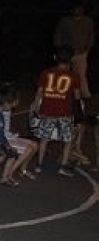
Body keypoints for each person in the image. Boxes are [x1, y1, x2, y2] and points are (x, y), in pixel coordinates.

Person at [30, 45, 81, 176]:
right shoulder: (74, 76)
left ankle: (39, 165)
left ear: (54, 57)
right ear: (71, 60)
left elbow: (39, 92)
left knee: (44, 138)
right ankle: (63, 166)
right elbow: (76, 96)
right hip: (65, 112)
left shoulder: (46, 73)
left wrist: (35, 106)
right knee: (68, 139)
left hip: (47, 110)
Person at [53, 1, 94, 100]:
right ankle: (62, 92)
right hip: (66, 53)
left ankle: (84, 94)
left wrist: (87, 49)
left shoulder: (88, 21)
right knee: (63, 74)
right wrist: (59, 50)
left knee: (81, 75)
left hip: (81, 53)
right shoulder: (65, 21)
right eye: (76, 9)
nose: (78, 11)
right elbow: (58, 35)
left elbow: (91, 35)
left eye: (80, 8)